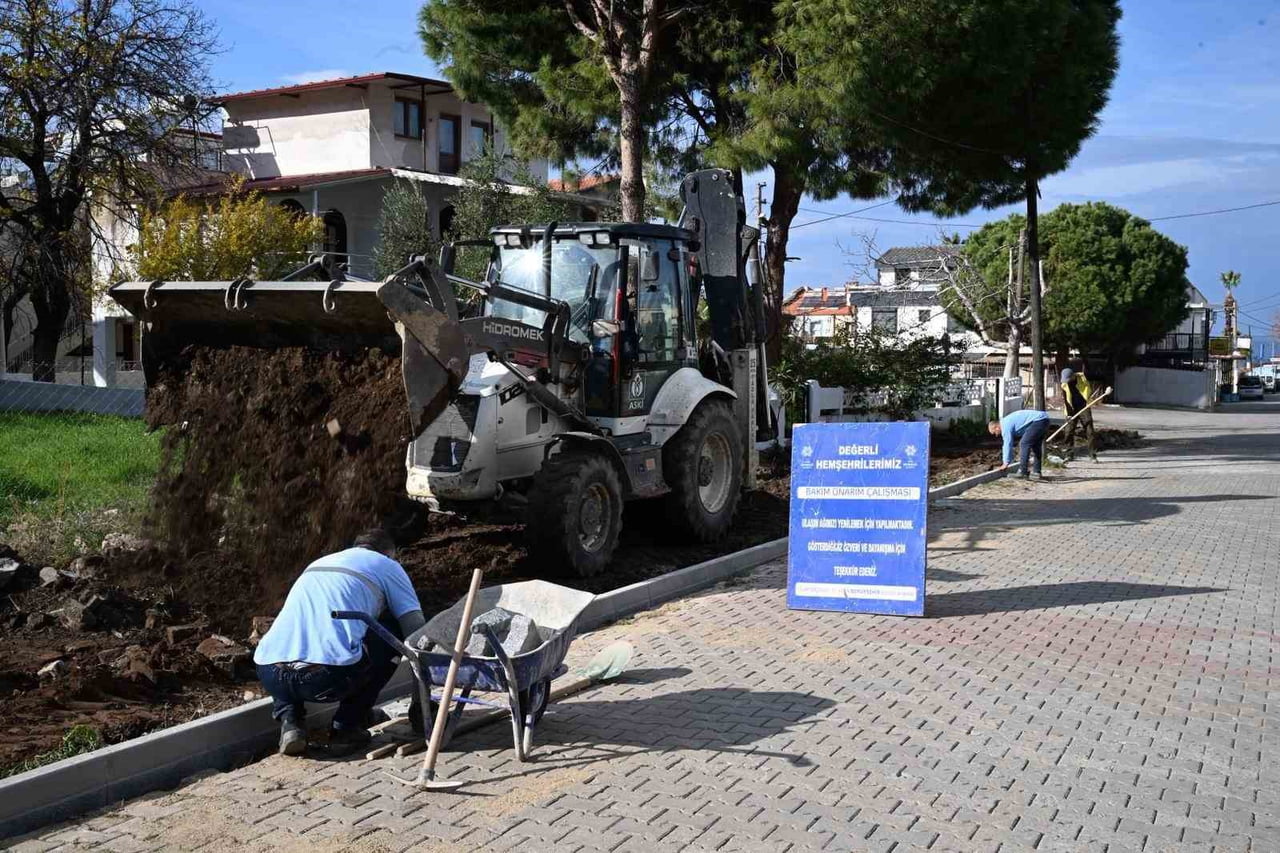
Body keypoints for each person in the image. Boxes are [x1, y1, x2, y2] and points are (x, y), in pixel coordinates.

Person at [254, 529, 425, 757]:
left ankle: (291, 722)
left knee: (288, 640)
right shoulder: (387, 565)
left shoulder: (320, 563)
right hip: (326, 679)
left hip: (270, 674)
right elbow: (416, 631)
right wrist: (422, 701)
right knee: (390, 633)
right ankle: (346, 727)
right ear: (388, 553)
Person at [988, 409, 1051, 480]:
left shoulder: (1005, 426)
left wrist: (1005, 463)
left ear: (996, 427)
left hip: (1038, 421)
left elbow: (1007, 444)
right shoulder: (1006, 421)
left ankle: (1022, 472)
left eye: (994, 433)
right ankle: (1037, 472)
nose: (996, 435)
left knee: (1024, 444)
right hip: (1044, 419)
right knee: (1035, 446)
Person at [1060, 367, 1098, 462]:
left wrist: (1107, 388)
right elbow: (1066, 401)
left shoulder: (1083, 377)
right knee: (1068, 431)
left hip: (1084, 407)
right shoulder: (1064, 384)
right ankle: (1069, 454)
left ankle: (1092, 455)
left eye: (1068, 379)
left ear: (1073, 376)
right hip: (1071, 409)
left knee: (1089, 430)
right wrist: (1069, 414)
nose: (1067, 381)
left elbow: (1099, 376)